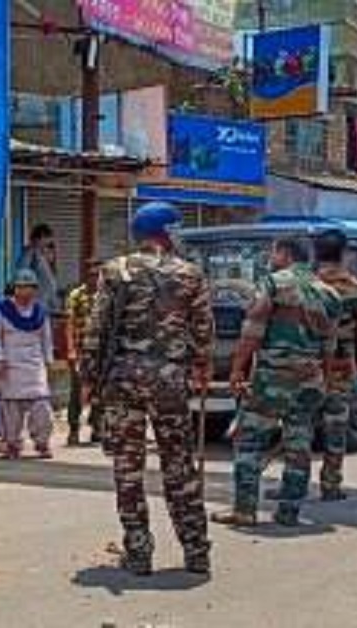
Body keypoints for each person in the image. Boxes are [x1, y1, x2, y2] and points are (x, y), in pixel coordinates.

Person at [81, 202, 213, 576]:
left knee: (128, 469)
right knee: (179, 465)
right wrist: (201, 367)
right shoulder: (190, 274)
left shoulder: (115, 271)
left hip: (122, 381)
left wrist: (89, 378)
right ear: (165, 232)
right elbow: (203, 331)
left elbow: (96, 329)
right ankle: (196, 550)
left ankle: (138, 552)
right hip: (170, 381)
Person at [213, 237, 340, 529]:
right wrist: (325, 378)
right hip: (310, 378)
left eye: (273, 253)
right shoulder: (329, 293)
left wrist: (237, 370)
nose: (271, 258)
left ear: (285, 253)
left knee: (249, 440)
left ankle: (245, 510)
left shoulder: (274, 283)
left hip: (273, 377)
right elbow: (330, 345)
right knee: (299, 444)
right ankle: (289, 512)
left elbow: (253, 331)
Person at [313, 230, 357, 502]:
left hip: (307, 364)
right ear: (344, 254)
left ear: (316, 253)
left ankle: (293, 483)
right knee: (336, 426)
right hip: (341, 364)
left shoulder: (307, 285)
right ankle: (331, 484)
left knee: (298, 426)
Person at [0, 269, 55, 459]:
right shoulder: (2, 309)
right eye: (21, 287)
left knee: (41, 406)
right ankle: (12, 443)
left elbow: (46, 339)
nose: (25, 292)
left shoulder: (40, 311)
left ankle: (42, 442)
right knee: (11, 408)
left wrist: (49, 361)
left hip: (35, 365)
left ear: (35, 290)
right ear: (15, 289)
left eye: (29, 288)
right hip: (10, 364)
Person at [65, 264, 103, 446]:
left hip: (101, 352)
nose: (94, 279)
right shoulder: (76, 295)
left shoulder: (106, 295)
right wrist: (71, 349)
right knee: (77, 390)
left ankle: (97, 427)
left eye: (97, 275)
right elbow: (70, 323)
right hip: (82, 350)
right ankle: (74, 429)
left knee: (101, 390)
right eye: (91, 275)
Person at [17, 224, 61, 313]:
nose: (48, 243)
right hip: (35, 307)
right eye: (47, 239)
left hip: (45, 307)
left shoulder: (40, 255)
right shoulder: (30, 254)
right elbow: (23, 276)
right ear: (40, 238)